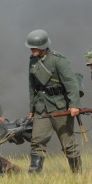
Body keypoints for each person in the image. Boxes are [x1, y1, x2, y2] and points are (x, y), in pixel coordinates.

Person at [26, 29, 82, 173]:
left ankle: (78, 174)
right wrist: (32, 109)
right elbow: (32, 87)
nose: (32, 50)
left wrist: (74, 105)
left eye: (34, 47)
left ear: (43, 46)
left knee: (68, 144)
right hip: (41, 107)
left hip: (60, 106)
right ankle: (34, 175)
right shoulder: (33, 61)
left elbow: (71, 84)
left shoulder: (58, 60)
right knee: (37, 141)